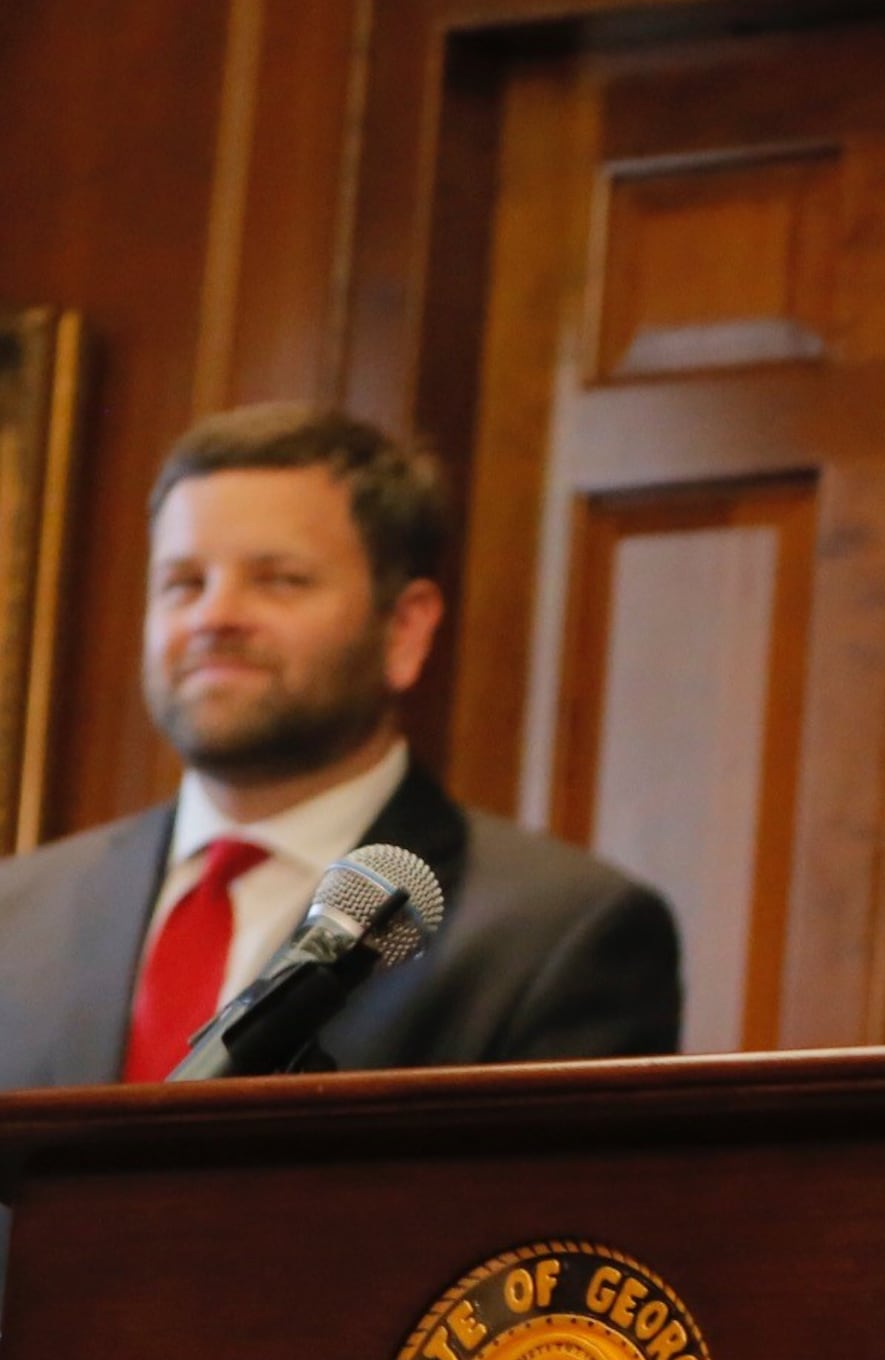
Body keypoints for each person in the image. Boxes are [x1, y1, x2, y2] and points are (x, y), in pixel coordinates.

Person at [0, 405, 682, 1099]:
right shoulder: (17, 911)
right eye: (184, 584)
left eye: (278, 579)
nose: (214, 616)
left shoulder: (558, 936)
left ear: (405, 629)